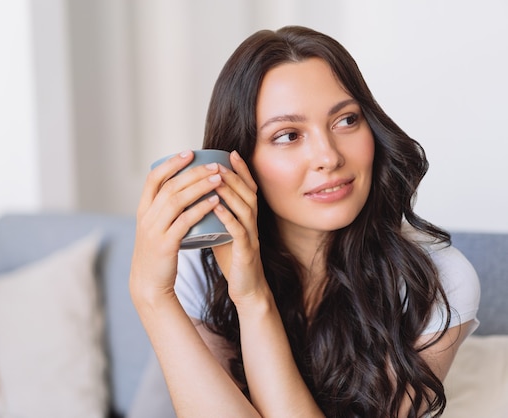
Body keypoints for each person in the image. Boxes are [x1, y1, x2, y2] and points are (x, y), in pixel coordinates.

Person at [129, 25, 480, 417]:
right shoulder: (201, 268)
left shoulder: (436, 282)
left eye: (346, 120)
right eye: (288, 135)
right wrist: (152, 296)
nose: (328, 156)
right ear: (238, 159)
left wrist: (253, 298)